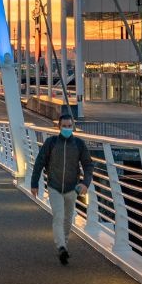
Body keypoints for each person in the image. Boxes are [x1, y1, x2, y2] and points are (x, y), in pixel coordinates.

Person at [30, 114, 95, 266]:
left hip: (72, 188)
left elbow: (88, 165)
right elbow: (39, 162)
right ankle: (61, 247)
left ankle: (64, 245)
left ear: (73, 127)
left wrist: (86, 183)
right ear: (58, 127)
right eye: (64, 126)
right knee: (58, 216)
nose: (67, 128)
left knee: (68, 219)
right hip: (54, 186)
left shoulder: (79, 144)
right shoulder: (51, 143)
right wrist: (34, 183)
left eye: (69, 126)